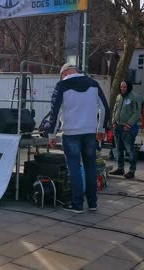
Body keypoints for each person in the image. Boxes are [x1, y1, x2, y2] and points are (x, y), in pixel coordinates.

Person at [45, 63, 110, 213]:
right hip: (89, 133)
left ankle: (77, 204)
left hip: (71, 133)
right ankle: (92, 203)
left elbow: (54, 112)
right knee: (90, 168)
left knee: (74, 169)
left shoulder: (62, 85)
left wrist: (51, 134)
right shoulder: (93, 84)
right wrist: (101, 128)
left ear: (64, 73)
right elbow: (105, 108)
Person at [109, 81, 141, 179]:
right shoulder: (119, 97)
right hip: (117, 127)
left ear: (128, 87)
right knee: (119, 150)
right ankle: (120, 168)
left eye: (124, 87)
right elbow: (114, 110)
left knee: (129, 150)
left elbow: (137, 113)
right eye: (121, 87)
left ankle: (131, 171)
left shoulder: (134, 97)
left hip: (127, 128)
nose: (122, 88)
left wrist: (128, 124)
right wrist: (113, 122)